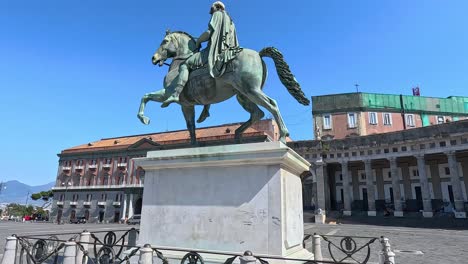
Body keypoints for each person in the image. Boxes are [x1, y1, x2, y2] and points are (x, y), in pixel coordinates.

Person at [161, 1, 241, 109]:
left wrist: (198, 41)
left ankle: (176, 94)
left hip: (217, 50)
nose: (210, 11)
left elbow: (209, 33)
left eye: (211, 8)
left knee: (185, 64)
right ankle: (206, 108)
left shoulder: (217, 14)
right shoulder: (230, 20)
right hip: (229, 49)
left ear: (216, 7)